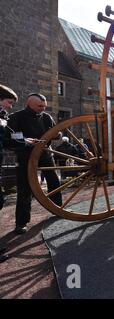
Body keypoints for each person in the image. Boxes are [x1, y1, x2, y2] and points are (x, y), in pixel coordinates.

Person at [6, 93, 62, 235]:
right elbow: (10, 139)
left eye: (44, 106)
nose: (43, 109)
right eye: (40, 106)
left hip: (45, 155)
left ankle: (58, 209)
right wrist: (26, 141)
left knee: (54, 181)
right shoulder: (15, 117)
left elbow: (56, 132)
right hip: (25, 157)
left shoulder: (47, 117)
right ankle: (21, 223)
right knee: (24, 189)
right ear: (29, 103)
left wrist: (57, 135)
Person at [0, 84, 18, 263]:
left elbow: (8, 137)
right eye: (8, 102)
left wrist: (25, 141)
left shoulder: (2, 117)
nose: (10, 106)